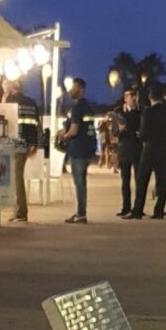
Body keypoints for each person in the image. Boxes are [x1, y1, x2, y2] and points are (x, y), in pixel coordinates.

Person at [123, 85, 166, 220]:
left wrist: (141, 136)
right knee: (161, 180)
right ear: (162, 97)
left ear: (150, 97)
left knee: (142, 180)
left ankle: (138, 209)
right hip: (164, 147)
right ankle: (159, 210)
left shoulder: (148, 112)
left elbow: (144, 132)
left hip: (150, 148)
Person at [2, 80, 40, 222]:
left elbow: (4, 118)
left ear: (9, 87)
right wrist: (35, 144)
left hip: (16, 141)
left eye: (4, 87)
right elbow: (37, 124)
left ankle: (21, 212)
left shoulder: (10, 101)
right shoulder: (32, 102)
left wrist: (4, 99)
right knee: (18, 176)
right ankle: (19, 211)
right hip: (28, 142)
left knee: (16, 177)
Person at [61, 78, 97, 224]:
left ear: (80, 88)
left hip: (78, 149)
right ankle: (81, 212)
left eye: (74, 87)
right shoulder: (88, 106)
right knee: (82, 181)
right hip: (88, 148)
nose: (71, 90)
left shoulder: (77, 108)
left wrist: (64, 136)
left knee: (79, 182)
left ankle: (81, 213)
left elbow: (74, 130)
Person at [111, 89, 142, 216]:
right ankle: (126, 207)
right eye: (130, 96)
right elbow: (114, 132)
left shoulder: (141, 111)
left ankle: (138, 207)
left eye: (134, 96)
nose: (133, 98)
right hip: (124, 148)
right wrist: (120, 130)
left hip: (138, 148)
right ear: (125, 98)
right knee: (125, 180)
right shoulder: (119, 112)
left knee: (139, 180)